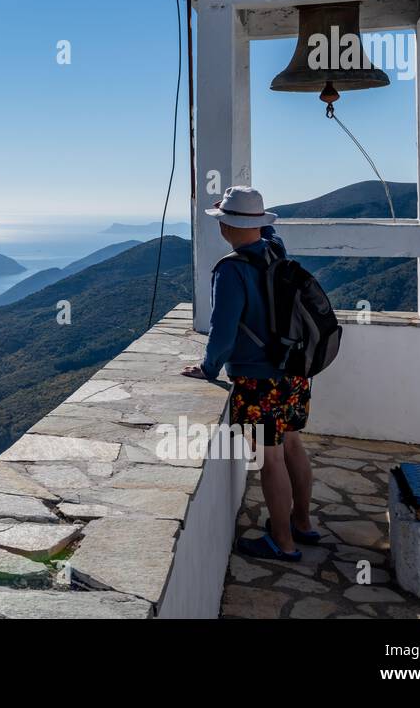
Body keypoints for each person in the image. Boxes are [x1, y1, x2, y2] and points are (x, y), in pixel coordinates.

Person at [181, 186, 321, 562]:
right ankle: (303, 525)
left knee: (270, 458)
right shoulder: (275, 251)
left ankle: (282, 542)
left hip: (259, 381)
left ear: (225, 225)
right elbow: (267, 233)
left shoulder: (231, 270)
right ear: (258, 222)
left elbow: (223, 332)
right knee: (293, 445)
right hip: (294, 370)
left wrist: (208, 368)